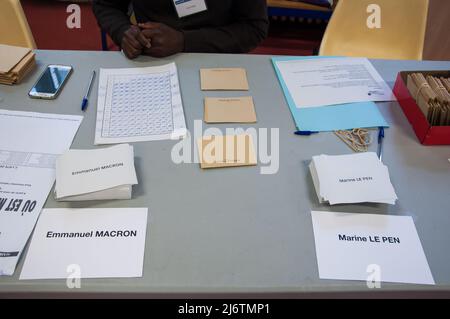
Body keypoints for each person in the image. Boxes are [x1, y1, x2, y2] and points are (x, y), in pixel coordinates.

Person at [92, 0, 269, 59]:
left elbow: (254, 27)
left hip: (219, 57)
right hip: (150, 60)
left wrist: (184, 41)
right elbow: (106, 5)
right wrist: (123, 31)